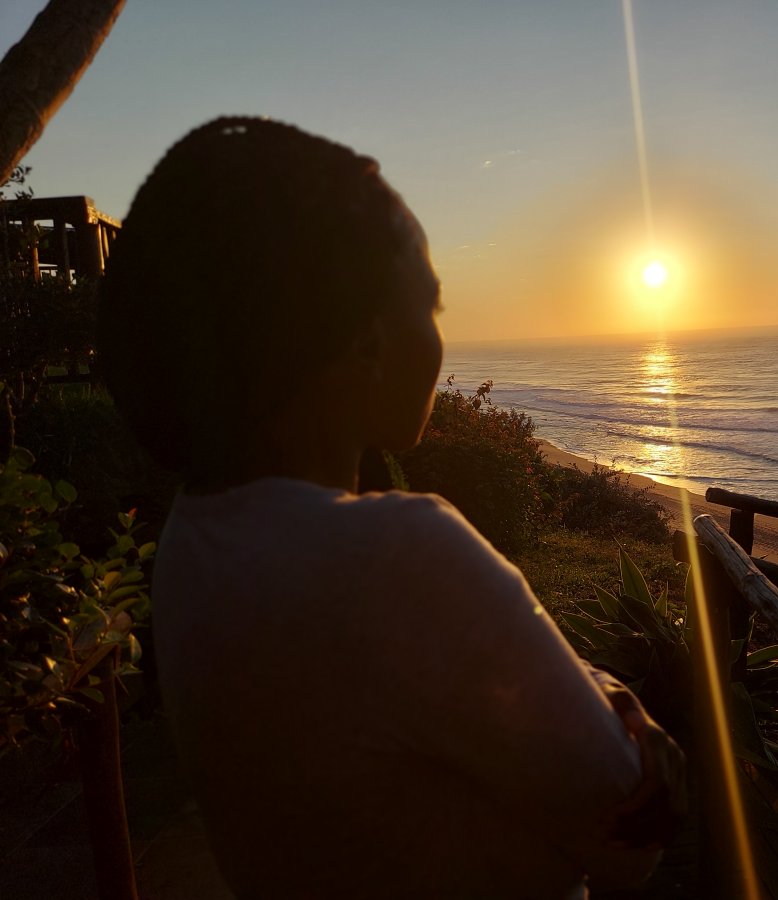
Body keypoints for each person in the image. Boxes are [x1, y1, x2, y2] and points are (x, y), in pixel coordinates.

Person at [98, 116, 684, 899]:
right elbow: (631, 839)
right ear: (368, 342)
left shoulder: (193, 540)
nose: (440, 338)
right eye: (431, 305)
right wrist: (635, 724)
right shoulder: (400, 556)